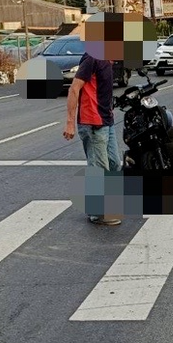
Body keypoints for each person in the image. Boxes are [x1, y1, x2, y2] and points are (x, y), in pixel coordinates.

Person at [63, 52, 122, 226]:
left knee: (114, 164)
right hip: (92, 122)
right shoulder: (92, 58)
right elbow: (74, 88)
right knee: (99, 169)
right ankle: (97, 212)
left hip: (106, 121)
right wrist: (69, 122)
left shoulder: (107, 60)